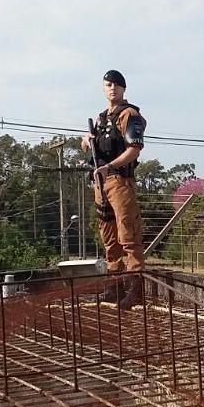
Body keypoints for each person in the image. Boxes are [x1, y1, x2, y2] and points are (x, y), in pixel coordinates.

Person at [81, 69, 147, 309]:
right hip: (100, 183)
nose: (112, 88)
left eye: (117, 85)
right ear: (103, 88)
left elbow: (134, 149)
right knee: (108, 236)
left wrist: (110, 166)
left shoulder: (129, 114)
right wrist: (87, 140)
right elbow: (89, 149)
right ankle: (114, 285)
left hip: (119, 181)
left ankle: (135, 287)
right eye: (108, 85)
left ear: (123, 89)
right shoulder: (100, 119)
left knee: (127, 234)